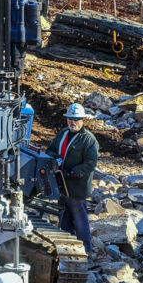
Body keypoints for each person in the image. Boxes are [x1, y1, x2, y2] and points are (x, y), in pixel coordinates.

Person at [47, 103, 99, 254]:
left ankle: (86, 249)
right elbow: (50, 150)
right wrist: (55, 159)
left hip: (77, 188)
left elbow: (90, 163)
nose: (73, 122)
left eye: (76, 119)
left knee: (80, 219)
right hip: (61, 184)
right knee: (64, 217)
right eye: (70, 118)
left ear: (82, 120)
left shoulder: (88, 140)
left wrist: (73, 172)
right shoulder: (63, 133)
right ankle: (66, 248)